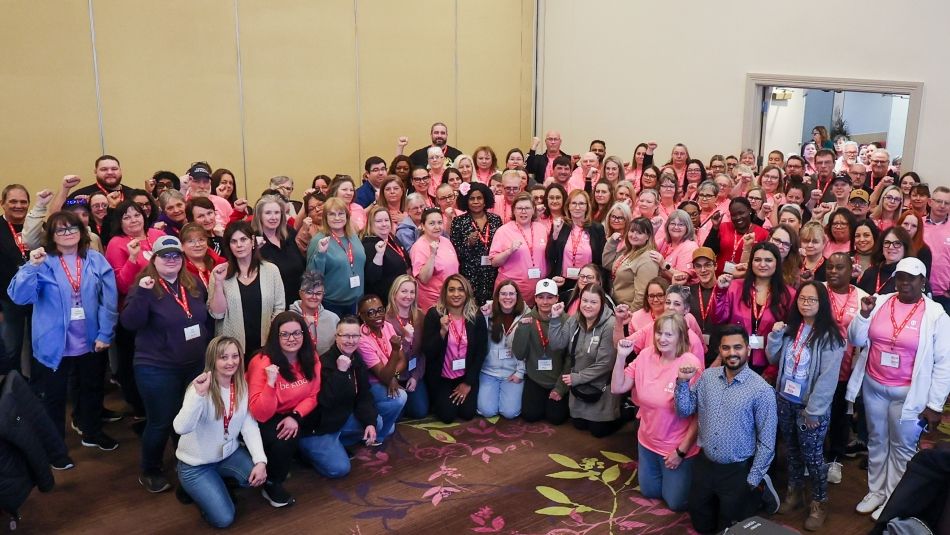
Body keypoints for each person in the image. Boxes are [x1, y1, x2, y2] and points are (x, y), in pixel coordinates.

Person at [846, 257, 950, 521]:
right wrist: (863, 314)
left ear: (922, 281)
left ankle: (894, 497)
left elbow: (944, 363)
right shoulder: (879, 302)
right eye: (900, 276)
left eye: (911, 278)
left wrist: (935, 405)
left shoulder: (935, 314)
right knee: (876, 440)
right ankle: (876, 491)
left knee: (902, 446)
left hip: (909, 393)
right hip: (874, 385)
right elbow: (856, 339)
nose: (904, 282)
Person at [8, 211, 118, 457]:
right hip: (53, 343)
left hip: (91, 340)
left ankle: (91, 431)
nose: (67, 233)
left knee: (91, 389)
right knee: (54, 398)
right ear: (52, 236)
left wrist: (106, 333)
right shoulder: (42, 261)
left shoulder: (96, 259)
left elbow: (108, 301)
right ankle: (54, 446)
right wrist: (30, 267)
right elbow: (19, 296)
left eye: (72, 228)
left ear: (82, 232)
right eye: (61, 230)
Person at [120, 235, 213, 493]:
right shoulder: (145, 285)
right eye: (165, 255)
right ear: (155, 259)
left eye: (176, 255)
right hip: (157, 367)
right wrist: (142, 293)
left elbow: (203, 319)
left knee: (189, 417)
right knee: (161, 420)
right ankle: (150, 469)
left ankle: (186, 461)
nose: (171, 260)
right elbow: (130, 323)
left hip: (193, 365)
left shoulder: (192, 283)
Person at [674, 324, 779, 533]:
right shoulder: (707, 378)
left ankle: (761, 489)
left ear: (748, 350)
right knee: (701, 522)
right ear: (719, 351)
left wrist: (752, 479)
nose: (732, 353)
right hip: (705, 463)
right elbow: (684, 410)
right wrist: (682, 383)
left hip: (738, 469)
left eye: (738, 347)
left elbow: (767, 441)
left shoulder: (762, 390)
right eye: (726, 348)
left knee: (730, 527)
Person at [766, 282, 846, 531]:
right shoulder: (791, 330)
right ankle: (795, 492)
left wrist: (814, 410)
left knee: (813, 457)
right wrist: (776, 336)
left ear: (822, 304)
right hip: (785, 400)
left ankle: (819, 502)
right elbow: (773, 358)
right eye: (802, 298)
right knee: (790, 450)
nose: (806, 303)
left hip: (810, 408)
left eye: (812, 300)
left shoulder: (831, 336)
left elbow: (828, 378)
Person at [611, 313, 702, 512]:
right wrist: (620, 356)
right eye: (659, 333)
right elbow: (617, 387)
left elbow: (698, 415)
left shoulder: (690, 364)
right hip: (647, 442)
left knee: (676, 503)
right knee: (649, 492)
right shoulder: (645, 355)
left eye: (669, 334)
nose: (662, 339)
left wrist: (681, 452)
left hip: (676, 446)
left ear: (680, 337)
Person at [173, 337, 267, 528]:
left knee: (256, 477)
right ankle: (191, 488)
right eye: (223, 357)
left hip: (227, 456)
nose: (230, 362)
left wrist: (260, 461)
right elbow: (180, 428)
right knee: (224, 519)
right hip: (196, 465)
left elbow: (249, 427)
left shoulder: (241, 386)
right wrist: (198, 396)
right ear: (212, 360)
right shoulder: (199, 388)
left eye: (235, 356)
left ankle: (215, 485)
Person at [247, 312, 321, 507]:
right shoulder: (261, 362)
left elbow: (314, 394)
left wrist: (296, 416)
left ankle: (297, 455)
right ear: (275, 336)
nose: (292, 339)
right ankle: (272, 482)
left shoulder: (310, 357)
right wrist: (271, 383)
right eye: (285, 334)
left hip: (296, 410)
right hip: (264, 415)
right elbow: (259, 413)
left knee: (309, 419)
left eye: (297, 333)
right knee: (284, 437)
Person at [297, 315, 379, 479]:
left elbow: (364, 395)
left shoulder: (356, 359)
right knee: (340, 469)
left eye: (355, 336)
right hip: (319, 428)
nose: (351, 341)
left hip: (340, 419)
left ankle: (338, 443)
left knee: (377, 422)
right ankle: (305, 452)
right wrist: (340, 373)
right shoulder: (324, 363)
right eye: (345, 336)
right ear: (336, 337)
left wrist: (369, 422)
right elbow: (326, 401)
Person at [713, 242, 795, 379]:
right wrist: (720, 292)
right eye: (757, 260)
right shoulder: (735, 287)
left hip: (767, 363)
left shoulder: (788, 295)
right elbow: (718, 318)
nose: (762, 264)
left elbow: (789, 336)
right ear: (751, 263)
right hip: (735, 358)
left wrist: (772, 370)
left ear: (777, 264)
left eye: (768, 260)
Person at [549, 284, 620, 438]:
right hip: (579, 388)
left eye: (593, 302)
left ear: (602, 303)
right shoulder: (574, 320)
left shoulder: (610, 324)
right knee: (579, 425)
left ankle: (623, 411)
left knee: (598, 431)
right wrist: (555, 318)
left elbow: (606, 364)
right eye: (585, 300)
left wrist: (577, 377)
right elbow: (557, 345)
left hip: (600, 386)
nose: (588, 305)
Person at [823, 252, 869, 484]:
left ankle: (835, 460)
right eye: (830, 267)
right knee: (818, 413)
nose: (833, 271)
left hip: (847, 367)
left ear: (850, 270)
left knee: (840, 415)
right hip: (819, 368)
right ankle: (816, 457)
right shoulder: (818, 291)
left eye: (839, 267)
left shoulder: (862, 296)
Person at [209, 221, 285, 355]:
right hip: (230, 349)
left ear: (253, 241)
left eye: (243, 239)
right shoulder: (219, 272)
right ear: (229, 246)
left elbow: (279, 308)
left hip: (265, 345)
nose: (239, 245)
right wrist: (219, 284)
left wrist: (271, 339)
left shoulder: (271, 270)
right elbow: (217, 314)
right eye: (234, 241)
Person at [421, 275, 488, 424]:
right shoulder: (434, 315)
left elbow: (481, 352)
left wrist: (468, 383)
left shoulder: (476, 316)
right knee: (447, 416)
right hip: (442, 377)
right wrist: (442, 333)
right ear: (445, 293)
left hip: (465, 376)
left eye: (460, 290)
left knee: (467, 413)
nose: (456, 294)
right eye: (451, 290)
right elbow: (428, 352)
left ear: (467, 293)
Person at [511, 279, 570, 425]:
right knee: (530, 415)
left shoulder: (567, 321)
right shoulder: (527, 320)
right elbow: (519, 354)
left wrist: (561, 388)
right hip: (535, 378)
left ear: (557, 298)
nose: (545, 302)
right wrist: (523, 330)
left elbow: (570, 358)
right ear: (535, 298)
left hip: (558, 379)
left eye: (550, 297)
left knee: (556, 418)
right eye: (541, 297)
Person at [356, 295, 408, 441]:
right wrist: (395, 351)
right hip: (372, 384)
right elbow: (383, 376)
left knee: (401, 399)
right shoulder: (362, 340)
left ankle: (379, 422)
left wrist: (394, 375)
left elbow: (404, 360)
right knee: (400, 398)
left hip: (388, 377)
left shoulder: (388, 326)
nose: (377, 315)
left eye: (380, 310)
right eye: (370, 313)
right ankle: (379, 435)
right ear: (361, 316)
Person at [306, 197, 366, 316]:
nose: (337, 218)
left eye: (341, 213)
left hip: (356, 302)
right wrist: (321, 254)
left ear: (347, 216)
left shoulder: (353, 237)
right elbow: (312, 276)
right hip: (331, 304)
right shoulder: (319, 239)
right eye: (332, 214)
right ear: (325, 218)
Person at [489, 192, 549, 307]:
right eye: (520, 208)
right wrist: (509, 251)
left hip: (538, 292)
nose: (523, 211)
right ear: (514, 210)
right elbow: (494, 262)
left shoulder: (541, 228)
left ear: (533, 210)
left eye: (527, 208)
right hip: (511, 293)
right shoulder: (503, 231)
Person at [477, 281, 526, 419]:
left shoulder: (525, 317)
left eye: (511, 294)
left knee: (510, 413)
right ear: (497, 297)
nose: (507, 297)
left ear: (517, 296)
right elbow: (480, 342)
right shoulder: (488, 313)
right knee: (487, 411)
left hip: (512, 373)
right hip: (489, 372)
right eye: (503, 294)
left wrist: (520, 373)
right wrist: (485, 317)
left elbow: (527, 348)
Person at [450, 182, 502, 305]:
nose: (475, 201)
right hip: (469, 274)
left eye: (479, 198)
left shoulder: (496, 219)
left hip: (492, 273)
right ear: (466, 201)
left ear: (485, 200)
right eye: (471, 198)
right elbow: (455, 252)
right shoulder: (458, 221)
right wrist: (468, 243)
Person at [547, 190, 606, 297]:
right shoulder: (560, 226)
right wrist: (555, 234)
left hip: (587, 282)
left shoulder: (597, 229)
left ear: (587, 207)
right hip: (563, 282)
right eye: (574, 203)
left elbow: (600, 261)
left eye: (581, 204)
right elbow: (550, 256)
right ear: (568, 206)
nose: (577, 207)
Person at [385, 275, 428, 418]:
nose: (408, 296)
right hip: (393, 374)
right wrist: (405, 339)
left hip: (413, 371)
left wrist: (416, 376)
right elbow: (386, 355)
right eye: (404, 291)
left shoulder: (420, 316)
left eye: (412, 292)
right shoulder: (386, 319)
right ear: (394, 293)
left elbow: (422, 352)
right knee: (397, 415)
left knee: (420, 412)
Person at [0, 184, 31, 375]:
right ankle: (13, 396)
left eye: (23, 201)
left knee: (39, 348)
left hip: (37, 300)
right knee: (10, 350)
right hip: (6, 302)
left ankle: (37, 394)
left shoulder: (36, 227)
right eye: (13, 201)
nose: (19, 205)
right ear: (3, 203)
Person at [253, 195, 305, 306]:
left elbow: (302, 265)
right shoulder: (252, 240)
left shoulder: (290, 234)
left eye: (277, 213)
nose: (273, 217)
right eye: (268, 213)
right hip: (272, 304)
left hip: (297, 302)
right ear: (259, 216)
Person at [410, 208, 460, 312]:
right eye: (432, 223)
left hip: (451, 298)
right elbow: (423, 279)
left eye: (440, 222)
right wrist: (432, 254)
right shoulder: (418, 247)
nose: (437, 227)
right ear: (423, 226)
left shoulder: (446, 241)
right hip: (433, 303)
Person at [703, 197, 768, 275]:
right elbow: (707, 252)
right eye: (733, 215)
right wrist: (715, 228)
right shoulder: (723, 227)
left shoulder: (763, 233)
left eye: (741, 213)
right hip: (719, 278)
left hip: (744, 279)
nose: (738, 217)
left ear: (750, 210)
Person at [604, 217, 658, 309]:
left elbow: (642, 295)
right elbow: (607, 265)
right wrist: (612, 244)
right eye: (632, 231)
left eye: (639, 233)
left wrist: (630, 315)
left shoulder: (648, 259)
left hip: (628, 310)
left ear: (648, 236)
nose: (634, 235)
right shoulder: (627, 250)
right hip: (615, 305)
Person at [361, 206, 409, 306]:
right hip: (384, 301)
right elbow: (372, 278)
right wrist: (379, 254)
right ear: (371, 223)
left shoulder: (391, 237)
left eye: (386, 220)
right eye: (378, 221)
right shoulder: (369, 245)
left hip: (400, 297)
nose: (384, 224)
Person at [857, 226, 911, 296]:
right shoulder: (870, 273)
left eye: (897, 243)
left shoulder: (913, 276)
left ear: (905, 248)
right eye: (887, 243)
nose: (891, 247)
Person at [923, 186, 950, 314]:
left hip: (945, 295)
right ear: (930, 202)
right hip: (919, 291)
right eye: (939, 201)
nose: (942, 205)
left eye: (947, 203)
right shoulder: (918, 225)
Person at [180, 223, 225, 290]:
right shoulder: (179, 269)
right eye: (191, 241)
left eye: (201, 240)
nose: (197, 245)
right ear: (182, 246)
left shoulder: (221, 263)